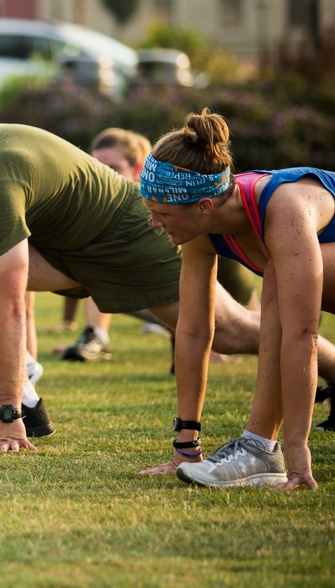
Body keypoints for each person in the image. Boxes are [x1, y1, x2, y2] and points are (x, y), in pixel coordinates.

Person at [0, 104, 332, 453]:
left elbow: (13, 306)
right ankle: (27, 406)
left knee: (231, 331)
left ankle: (14, 411)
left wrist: (4, 423)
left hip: (122, 232)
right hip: (58, 250)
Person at [140, 109, 335, 490]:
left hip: (296, 277)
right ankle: (260, 448)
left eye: (162, 213)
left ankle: (262, 448)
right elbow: (195, 330)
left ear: (204, 207)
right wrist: (186, 445)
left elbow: (302, 335)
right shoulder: (200, 226)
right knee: (275, 270)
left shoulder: (285, 210)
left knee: (276, 272)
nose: (155, 223)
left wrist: (298, 451)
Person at [61, 128, 259, 364]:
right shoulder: (138, 208)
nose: (103, 176)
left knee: (102, 263)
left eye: (112, 169)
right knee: (98, 265)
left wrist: (210, 339)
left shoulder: (169, 212)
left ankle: (96, 336)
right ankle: (94, 335)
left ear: (137, 169)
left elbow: (234, 289)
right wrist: (67, 320)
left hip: (227, 307)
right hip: (191, 300)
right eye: (97, 169)